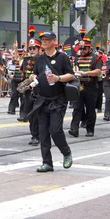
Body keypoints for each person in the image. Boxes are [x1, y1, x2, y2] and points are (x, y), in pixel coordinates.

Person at [28, 31, 73, 173]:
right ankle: (47, 162)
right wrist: (32, 77)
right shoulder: (40, 59)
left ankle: (66, 152)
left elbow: (71, 75)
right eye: (43, 40)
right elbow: (35, 73)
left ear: (54, 41)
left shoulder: (62, 57)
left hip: (58, 99)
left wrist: (58, 78)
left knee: (55, 130)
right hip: (42, 99)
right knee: (43, 132)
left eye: (47, 39)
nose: (44, 42)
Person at [68, 37, 102, 137]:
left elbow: (98, 71)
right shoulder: (77, 58)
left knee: (90, 109)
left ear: (89, 48)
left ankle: (90, 129)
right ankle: (74, 128)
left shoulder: (96, 58)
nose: (82, 51)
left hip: (91, 86)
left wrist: (85, 73)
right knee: (77, 108)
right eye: (81, 48)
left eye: (84, 49)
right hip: (78, 85)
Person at [20, 37, 41, 145]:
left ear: (39, 49)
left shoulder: (43, 59)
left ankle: (39, 134)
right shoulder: (25, 60)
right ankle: (34, 134)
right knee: (30, 113)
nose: (32, 50)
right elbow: (23, 73)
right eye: (30, 48)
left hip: (40, 91)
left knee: (39, 113)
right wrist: (23, 85)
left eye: (34, 48)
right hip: (29, 90)